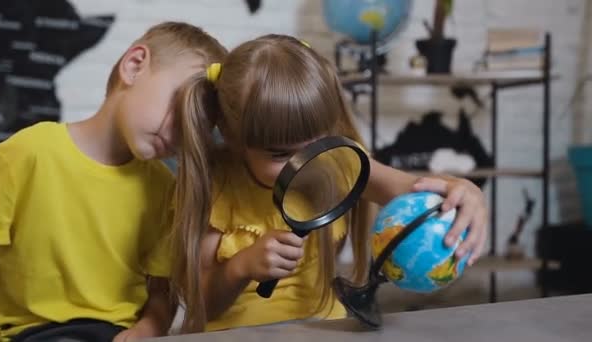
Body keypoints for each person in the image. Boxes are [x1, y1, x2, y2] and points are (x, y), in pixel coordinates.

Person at [172, 34, 488, 332]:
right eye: (280, 153)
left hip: (325, 331)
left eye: (316, 144)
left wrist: (464, 191)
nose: (304, 161)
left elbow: (416, 186)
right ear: (232, 136)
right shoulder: (215, 185)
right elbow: (204, 306)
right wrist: (240, 267)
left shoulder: (338, 162)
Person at [0, 21, 226, 342]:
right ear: (134, 65)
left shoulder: (163, 187)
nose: (178, 135)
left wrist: (148, 329)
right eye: (178, 108)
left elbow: (162, 289)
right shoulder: (26, 154)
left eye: (194, 129)